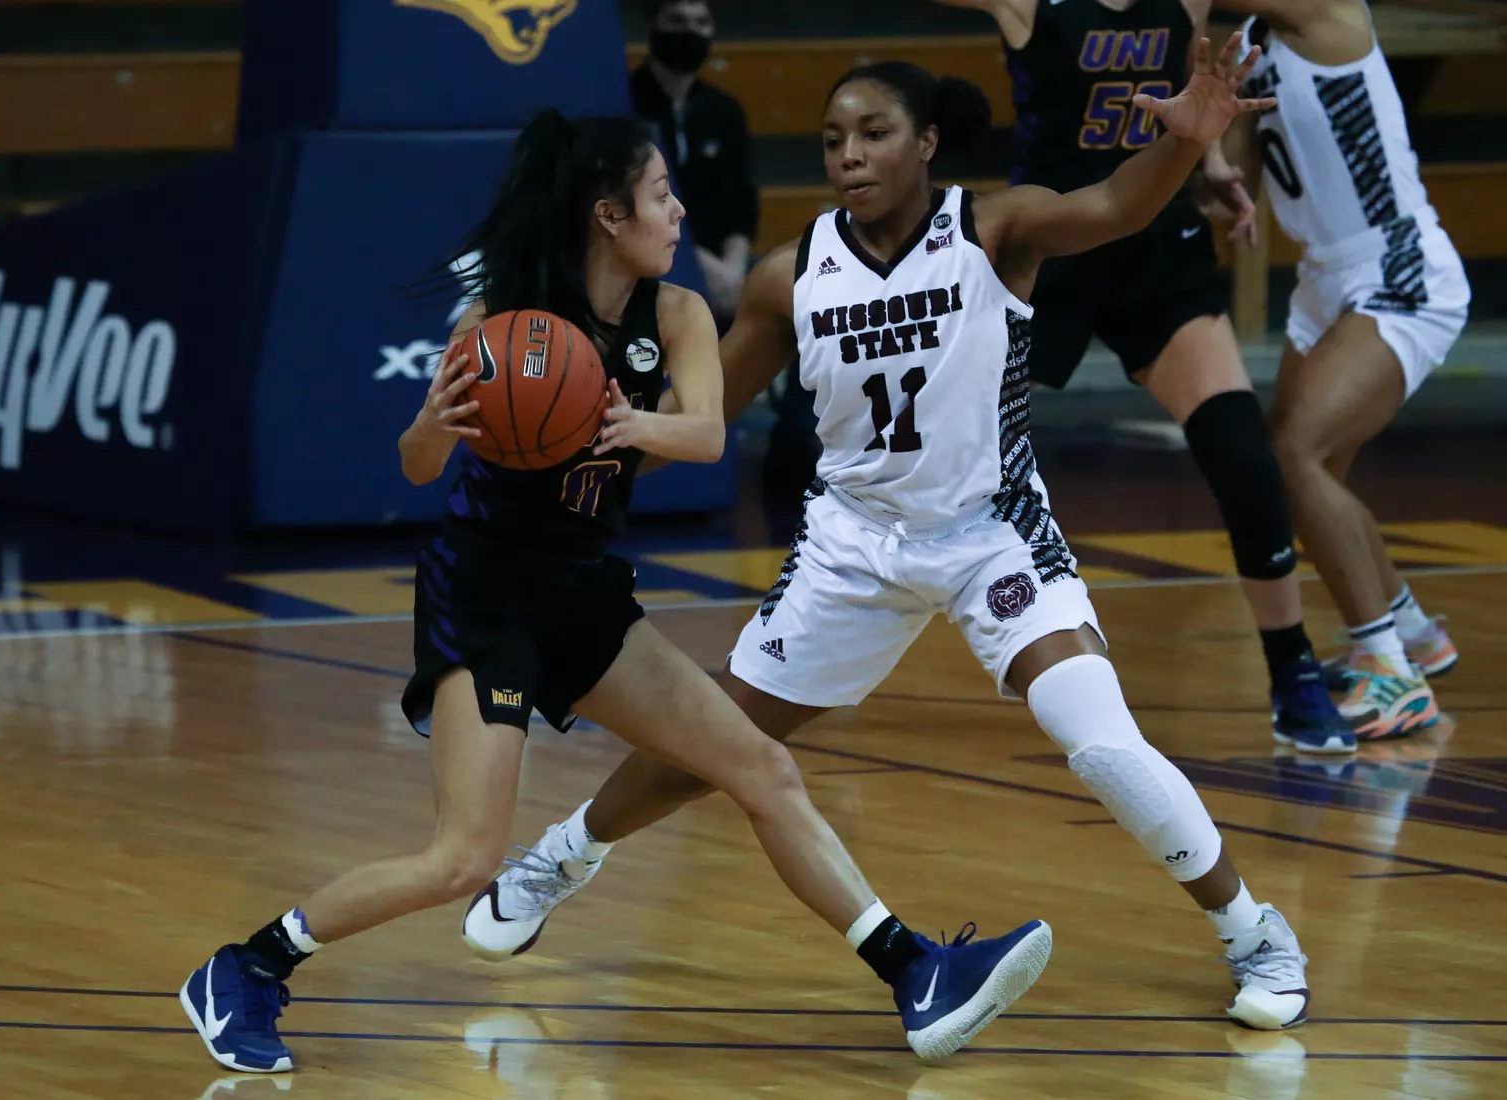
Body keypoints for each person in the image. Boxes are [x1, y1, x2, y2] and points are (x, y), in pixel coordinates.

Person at [178, 110, 1054, 1073]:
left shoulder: (674, 313)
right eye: (660, 196)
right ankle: (247, 965)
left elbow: (707, 434)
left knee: (763, 769)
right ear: (608, 214)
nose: (676, 213)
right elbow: (418, 466)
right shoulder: (500, 325)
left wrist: (630, 425)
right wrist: (432, 423)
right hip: (486, 601)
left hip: (585, 596)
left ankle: (914, 972)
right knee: (463, 859)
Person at [464, 43, 1314, 1033]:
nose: (849, 156)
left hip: (991, 531)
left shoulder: (994, 228)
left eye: (873, 133)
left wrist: (1183, 143)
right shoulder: (789, 278)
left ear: (927, 143)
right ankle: (561, 857)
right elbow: (697, 421)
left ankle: (1253, 931)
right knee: (717, 739)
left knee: (1098, 740)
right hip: (852, 546)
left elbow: (1117, 205)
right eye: (833, 140)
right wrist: (566, 461)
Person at [935, 0, 1353, 756]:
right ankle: (835, 617)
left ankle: (1292, 670)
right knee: (947, 457)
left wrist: (1211, 162)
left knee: (1241, 452)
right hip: (1051, 245)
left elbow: (1192, 87)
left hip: (1156, 241)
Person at [1210, 0, 1465, 741]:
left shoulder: (1328, 10)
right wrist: (1215, 160)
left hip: (1396, 265)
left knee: (1296, 454)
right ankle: (1412, 633)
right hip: (1324, 276)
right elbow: (1238, 166)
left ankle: (1390, 672)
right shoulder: (1251, 40)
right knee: (1293, 469)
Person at [631, 0, 758, 322]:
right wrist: (701, 265)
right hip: (646, 269)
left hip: (723, 276)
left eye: (701, 22)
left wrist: (732, 271)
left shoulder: (725, 111)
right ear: (652, 27)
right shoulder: (625, 107)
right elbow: (631, 203)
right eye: (677, 20)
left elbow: (743, 204)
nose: (690, 32)